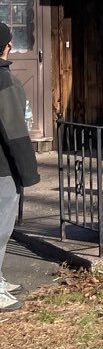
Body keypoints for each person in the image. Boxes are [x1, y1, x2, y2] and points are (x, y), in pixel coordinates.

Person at [0, 20, 40, 311]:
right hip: (2, 168)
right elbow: (14, 131)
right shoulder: (4, 81)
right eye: (9, 41)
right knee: (1, 226)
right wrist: (28, 173)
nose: (11, 45)